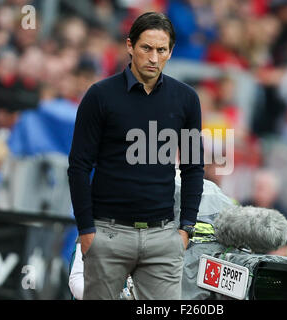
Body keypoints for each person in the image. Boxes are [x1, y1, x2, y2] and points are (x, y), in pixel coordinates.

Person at [67, 12, 204, 300]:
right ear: (130, 46)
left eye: (161, 50)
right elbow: (79, 165)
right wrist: (87, 231)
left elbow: (193, 167)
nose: (154, 58)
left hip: (163, 237)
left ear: (171, 52)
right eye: (146, 48)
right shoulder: (100, 95)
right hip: (108, 233)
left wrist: (186, 229)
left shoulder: (186, 99)